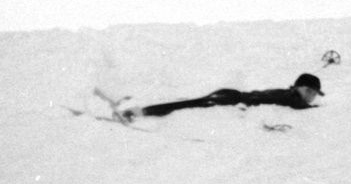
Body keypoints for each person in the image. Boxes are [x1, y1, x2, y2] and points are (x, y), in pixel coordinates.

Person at [121, 73, 324, 121]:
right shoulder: (289, 96)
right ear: (297, 88)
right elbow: (262, 97)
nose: (310, 97)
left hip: (230, 95)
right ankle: (137, 113)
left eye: (314, 94)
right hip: (231, 99)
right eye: (308, 91)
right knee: (184, 107)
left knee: (186, 104)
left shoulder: (289, 95)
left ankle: (137, 111)